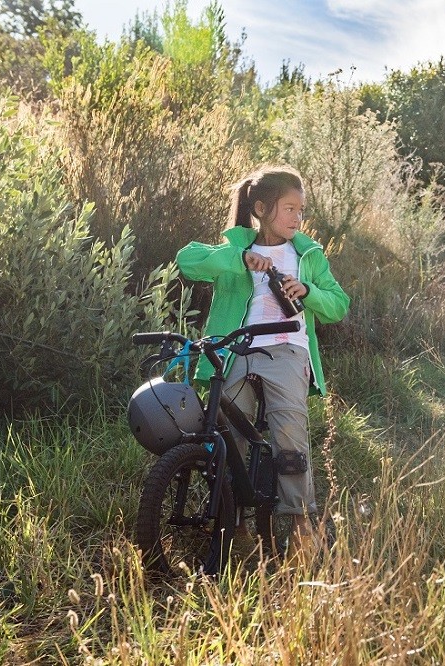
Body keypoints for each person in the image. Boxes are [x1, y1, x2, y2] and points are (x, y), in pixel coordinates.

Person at [176, 164, 350, 562]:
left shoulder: (307, 255)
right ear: (261, 207)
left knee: (290, 436)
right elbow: (188, 261)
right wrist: (240, 258)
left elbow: (339, 305)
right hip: (237, 350)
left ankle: (303, 528)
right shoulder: (235, 246)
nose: (297, 217)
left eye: (301, 210)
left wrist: (307, 291)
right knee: (229, 438)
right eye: (289, 208)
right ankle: (234, 525)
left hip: (288, 350)